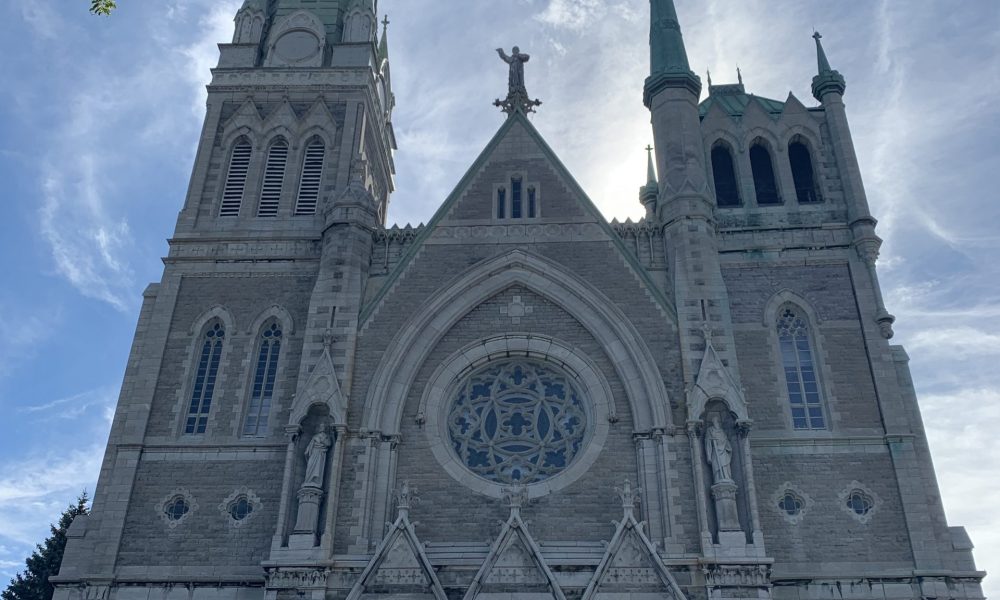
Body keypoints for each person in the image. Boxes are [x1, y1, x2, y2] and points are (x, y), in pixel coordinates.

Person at [704, 414, 733, 483]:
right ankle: (718, 479)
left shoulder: (722, 431)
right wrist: (709, 456)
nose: (716, 423)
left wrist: (725, 445)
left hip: (723, 450)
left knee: (725, 466)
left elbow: (726, 440)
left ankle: (727, 478)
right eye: (715, 421)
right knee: (716, 466)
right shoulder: (710, 430)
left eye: (717, 421)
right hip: (715, 451)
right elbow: (707, 442)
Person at [302, 423, 332, 488]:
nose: (322, 428)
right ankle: (308, 481)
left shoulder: (326, 436)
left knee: (318, 467)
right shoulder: (315, 436)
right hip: (314, 452)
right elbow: (310, 446)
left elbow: (329, 444)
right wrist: (307, 451)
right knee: (310, 465)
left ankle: (316, 481)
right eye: (321, 426)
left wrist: (322, 441)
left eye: (323, 427)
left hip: (321, 453)